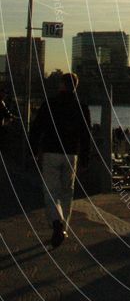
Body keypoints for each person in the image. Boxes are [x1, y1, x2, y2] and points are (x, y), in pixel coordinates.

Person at [29, 73, 92, 248]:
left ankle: (57, 223)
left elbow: (37, 128)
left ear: (61, 85)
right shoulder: (82, 108)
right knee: (67, 191)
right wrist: (85, 158)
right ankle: (64, 226)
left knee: (51, 191)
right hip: (72, 154)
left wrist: (33, 149)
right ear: (75, 86)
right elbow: (86, 136)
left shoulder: (50, 104)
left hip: (51, 152)